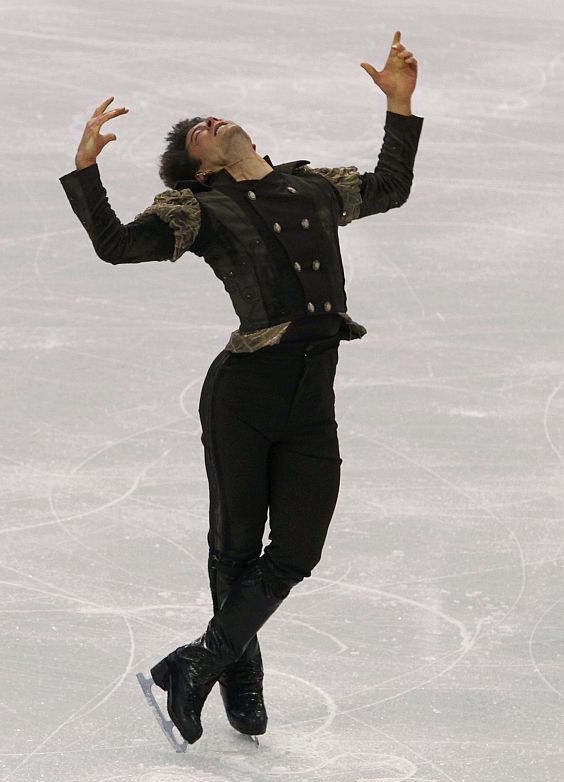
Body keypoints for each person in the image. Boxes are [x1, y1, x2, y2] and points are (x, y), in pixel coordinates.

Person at [59, 30, 423, 745]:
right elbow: (115, 245)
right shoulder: (201, 210)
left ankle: (199, 661)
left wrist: (401, 108)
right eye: (195, 135)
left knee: (295, 552)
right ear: (195, 173)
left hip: (313, 398)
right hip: (244, 395)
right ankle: (239, 676)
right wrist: (85, 170)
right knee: (233, 549)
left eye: (208, 118)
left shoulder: (315, 187)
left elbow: (391, 187)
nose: (207, 124)